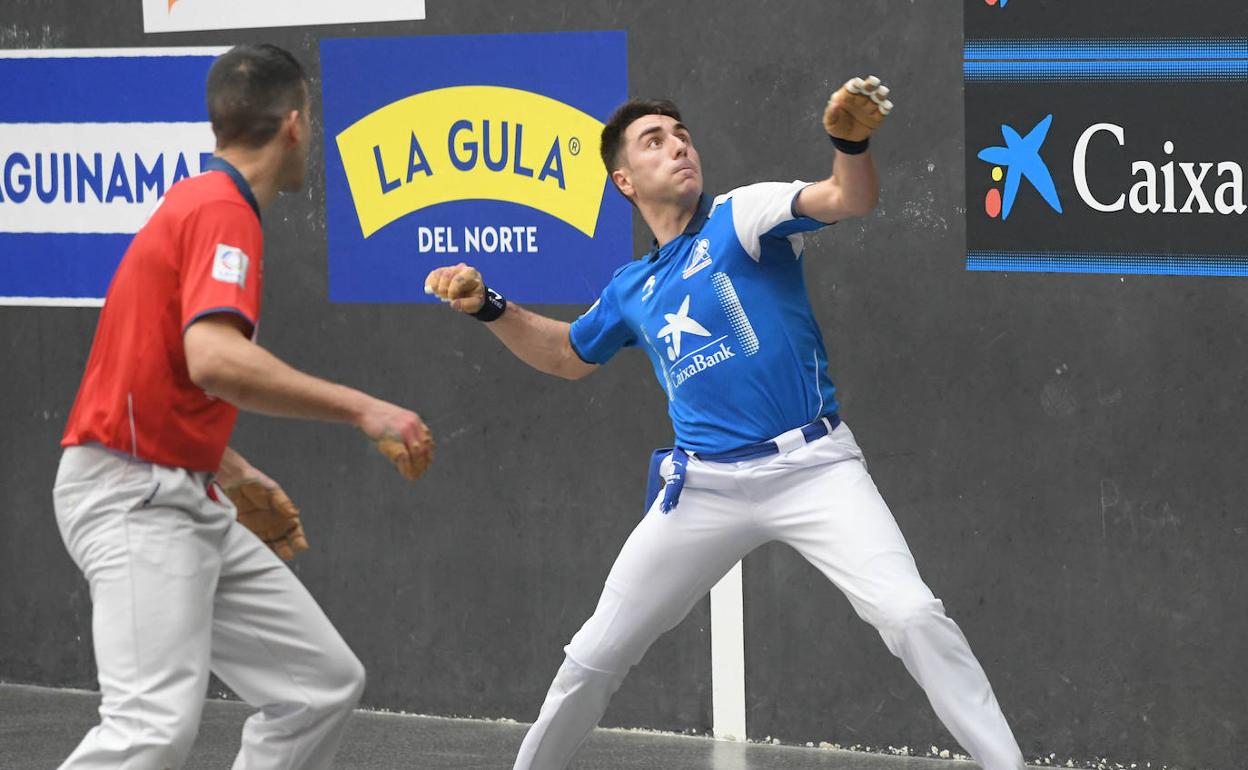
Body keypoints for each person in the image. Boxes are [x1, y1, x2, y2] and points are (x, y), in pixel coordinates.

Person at [424, 74, 1027, 770]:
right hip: (704, 488)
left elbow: (847, 197)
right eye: (655, 142)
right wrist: (490, 308)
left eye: (682, 136)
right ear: (625, 182)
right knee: (594, 654)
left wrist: (849, 145)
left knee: (912, 615)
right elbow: (566, 356)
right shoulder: (632, 288)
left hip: (815, 470)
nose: (678, 148)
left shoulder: (744, 216)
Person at [52, 43, 433, 769]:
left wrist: (225, 465)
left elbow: (156, 373)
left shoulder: (196, 205)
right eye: (311, 122)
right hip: (134, 497)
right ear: (296, 124)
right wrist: (362, 408)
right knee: (149, 729)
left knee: (318, 686)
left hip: (181, 488)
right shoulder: (221, 209)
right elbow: (215, 360)